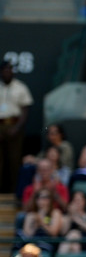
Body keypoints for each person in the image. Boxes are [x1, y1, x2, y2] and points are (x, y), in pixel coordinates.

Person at [0, 60, 33, 194]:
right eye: (5, 70)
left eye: (10, 70)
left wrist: (17, 127)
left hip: (14, 126)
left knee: (14, 161)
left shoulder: (21, 87)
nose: (8, 72)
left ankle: (15, 192)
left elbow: (25, 110)